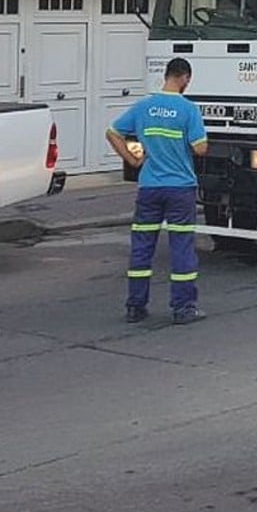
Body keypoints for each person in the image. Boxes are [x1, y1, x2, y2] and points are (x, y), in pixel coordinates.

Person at [106, 58, 208, 325]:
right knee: (182, 248)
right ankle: (183, 308)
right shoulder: (188, 109)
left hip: (149, 186)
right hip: (180, 188)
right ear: (185, 78)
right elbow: (200, 148)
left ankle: (135, 307)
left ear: (165, 76)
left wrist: (132, 159)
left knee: (142, 247)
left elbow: (113, 132)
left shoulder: (144, 107)